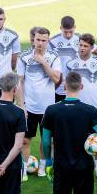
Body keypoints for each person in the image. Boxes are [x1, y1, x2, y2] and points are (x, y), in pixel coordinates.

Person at [16, 27, 61, 180]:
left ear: (48, 41)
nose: (40, 43)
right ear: (33, 39)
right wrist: (22, 105)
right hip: (29, 107)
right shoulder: (24, 57)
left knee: (47, 140)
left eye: (43, 40)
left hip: (47, 108)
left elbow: (56, 79)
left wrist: (43, 62)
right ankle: (23, 169)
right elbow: (20, 82)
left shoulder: (54, 57)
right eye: (38, 40)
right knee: (25, 139)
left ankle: (42, 167)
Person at [65, 33, 97, 180]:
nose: (82, 48)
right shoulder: (71, 64)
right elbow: (68, 84)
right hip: (76, 108)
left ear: (92, 48)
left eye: (85, 46)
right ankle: (77, 166)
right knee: (75, 138)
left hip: (95, 109)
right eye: (80, 45)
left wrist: (94, 94)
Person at [48, 15, 97, 103]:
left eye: (71, 31)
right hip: (59, 87)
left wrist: (90, 66)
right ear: (60, 28)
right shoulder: (52, 42)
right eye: (65, 32)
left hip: (77, 86)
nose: (68, 35)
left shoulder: (81, 38)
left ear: (75, 27)